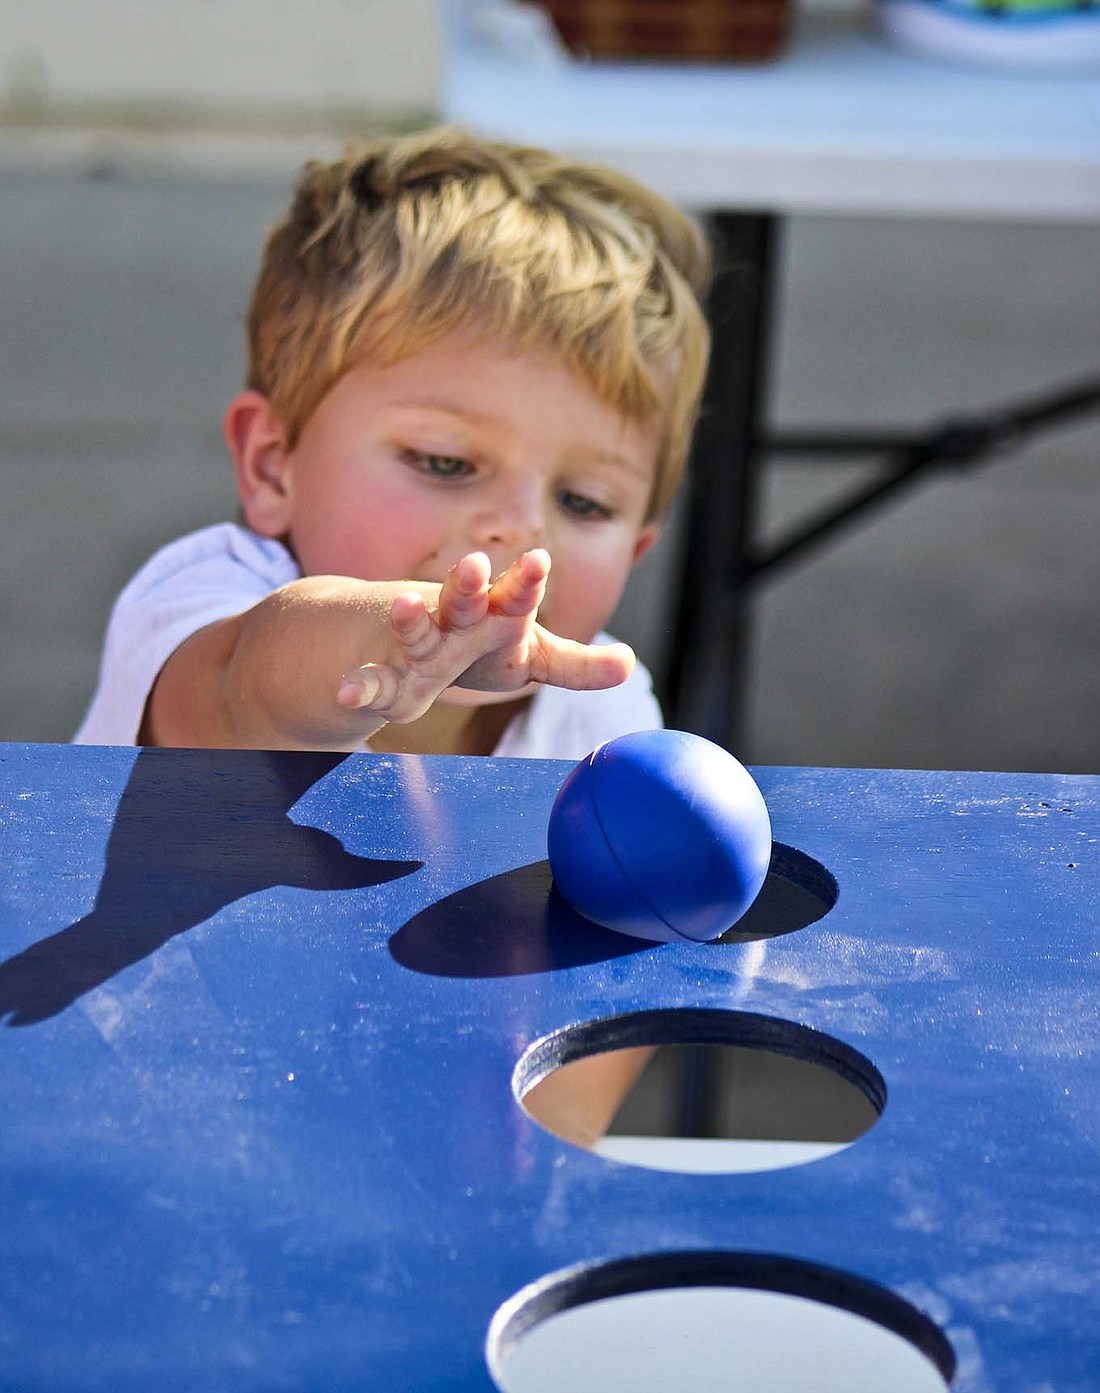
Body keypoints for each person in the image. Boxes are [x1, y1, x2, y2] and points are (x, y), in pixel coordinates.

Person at [73, 125, 711, 760]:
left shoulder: (603, 719)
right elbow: (245, 686)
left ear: (638, 546)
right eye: (445, 462)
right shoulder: (196, 605)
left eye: (585, 501)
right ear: (272, 465)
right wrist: (387, 639)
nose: (522, 529)